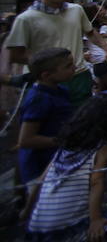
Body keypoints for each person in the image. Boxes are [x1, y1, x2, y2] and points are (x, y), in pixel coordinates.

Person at [24, 93, 107, 241]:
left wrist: (27, 212)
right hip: (69, 226)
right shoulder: (104, 149)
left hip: (38, 228)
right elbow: (96, 182)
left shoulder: (65, 146)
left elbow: (41, 181)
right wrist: (95, 219)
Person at [5, 0, 107, 106]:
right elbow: (15, 55)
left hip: (79, 76)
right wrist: (50, 64)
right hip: (46, 80)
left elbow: (90, 32)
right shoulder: (25, 19)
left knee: (81, 120)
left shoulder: (76, 10)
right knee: (47, 122)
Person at [17, 48, 75, 186]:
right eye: (68, 66)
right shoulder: (38, 99)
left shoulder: (61, 90)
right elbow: (26, 140)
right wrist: (65, 140)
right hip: (41, 167)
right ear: (46, 75)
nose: (74, 68)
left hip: (59, 160)